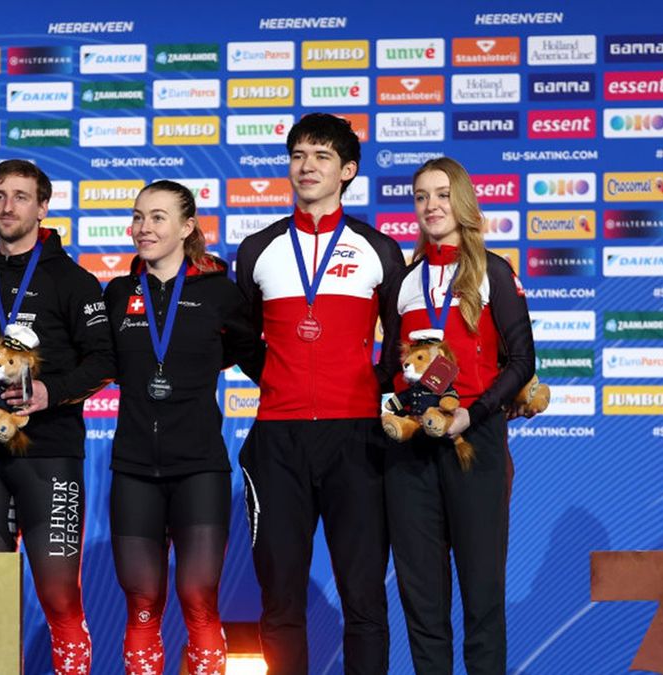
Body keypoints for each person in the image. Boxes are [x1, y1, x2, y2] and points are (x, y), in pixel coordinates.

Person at [234, 113, 405, 674]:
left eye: (322, 157)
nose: (306, 167)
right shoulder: (258, 248)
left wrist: (361, 387)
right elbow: (243, 340)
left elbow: (400, 347)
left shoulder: (378, 249)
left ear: (347, 171)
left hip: (356, 439)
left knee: (364, 599)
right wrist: (283, 381)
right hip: (277, 439)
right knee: (280, 600)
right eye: (298, 155)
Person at [0, 159, 116, 675]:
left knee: (58, 595)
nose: (8, 206)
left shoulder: (74, 280)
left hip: (49, 453)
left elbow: (104, 359)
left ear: (42, 207)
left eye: (21, 196)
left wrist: (52, 391)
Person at [103, 181, 259, 675]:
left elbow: (250, 355)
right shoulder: (119, 293)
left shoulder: (219, 293)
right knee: (143, 601)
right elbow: (94, 364)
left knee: (197, 597)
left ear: (188, 227)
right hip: (133, 469)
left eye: (158, 217)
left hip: (199, 469)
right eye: (137, 217)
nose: (143, 228)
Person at [385, 156, 534, 674]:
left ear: (463, 200)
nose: (431, 205)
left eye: (442, 194)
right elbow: (390, 372)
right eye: (422, 196)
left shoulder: (493, 271)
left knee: (482, 598)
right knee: (422, 604)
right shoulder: (404, 283)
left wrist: (475, 415)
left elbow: (521, 362)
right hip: (411, 457)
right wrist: (395, 410)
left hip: (475, 444)